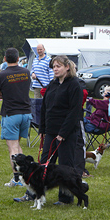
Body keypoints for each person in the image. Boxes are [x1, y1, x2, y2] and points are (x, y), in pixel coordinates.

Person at [37, 55, 85, 204]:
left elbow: (74, 112)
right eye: (53, 67)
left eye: (58, 66)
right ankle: (35, 193)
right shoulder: (52, 84)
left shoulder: (74, 85)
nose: (55, 69)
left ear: (67, 67)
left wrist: (63, 133)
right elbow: (45, 108)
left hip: (67, 133)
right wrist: (42, 128)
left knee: (65, 166)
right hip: (51, 131)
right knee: (44, 164)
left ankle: (66, 197)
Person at [0, 47, 33, 190]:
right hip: (26, 113)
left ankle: (17, 179)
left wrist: (8, 95)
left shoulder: (2, 75)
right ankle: (25, 175)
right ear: (18, 59)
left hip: (11, 113)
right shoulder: (26, 72)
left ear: (5, 59)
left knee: (13, 148)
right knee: (18, 145)